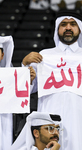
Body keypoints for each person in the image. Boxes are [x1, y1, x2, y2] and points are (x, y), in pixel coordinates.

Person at [22, 10, 82, 150]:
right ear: (57, 29)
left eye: (72, 24)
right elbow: (29, 89)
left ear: (79, 28)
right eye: (63, 24)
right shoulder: (44, 56)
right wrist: (25, 65)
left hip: (78, 117)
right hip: (49, 117)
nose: (68, 28)